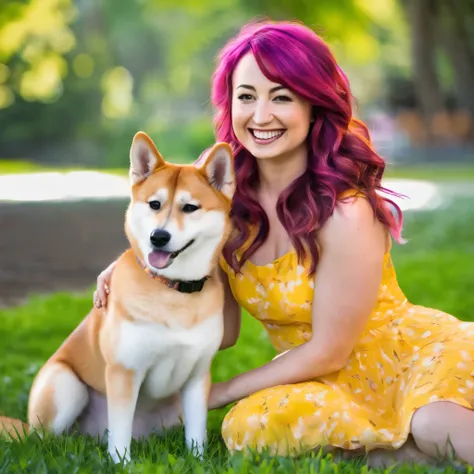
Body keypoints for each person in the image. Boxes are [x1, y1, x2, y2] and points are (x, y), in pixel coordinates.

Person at [94, 20, 474, 466]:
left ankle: (409, 442)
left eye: (281, 97)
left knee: (434, 426)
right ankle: (399, 450)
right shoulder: (217, 199)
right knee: (250, 427)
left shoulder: (345, 211)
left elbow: (331, 349)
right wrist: (139, 272)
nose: (260, 116)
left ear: (314, 106)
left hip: (408, 359)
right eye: (246, 97)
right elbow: (223, 329)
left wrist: (216, 393)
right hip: (322, 384)